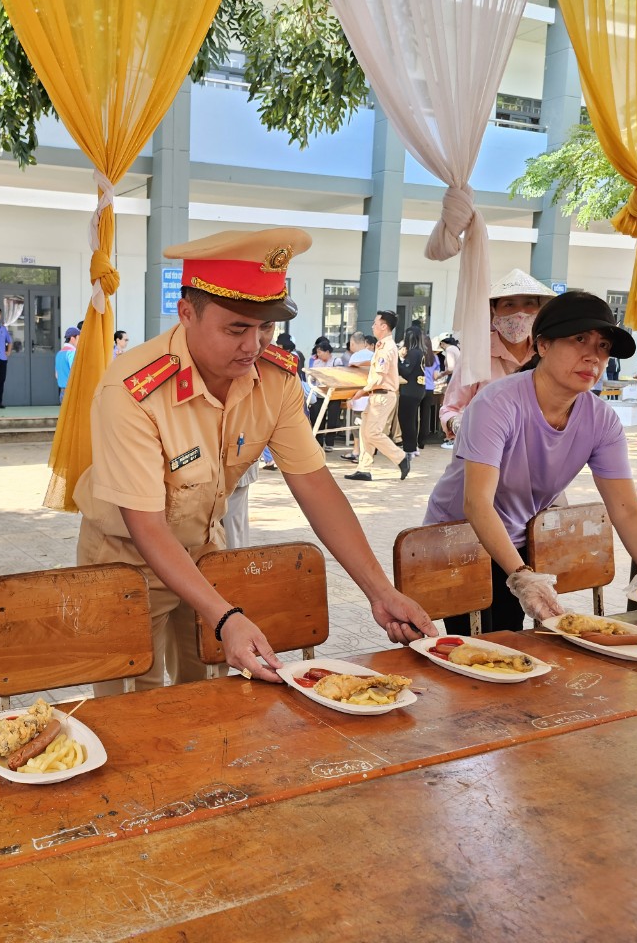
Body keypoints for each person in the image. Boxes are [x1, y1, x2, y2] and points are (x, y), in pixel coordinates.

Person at [73, 227, 435, 691]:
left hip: (205, 554)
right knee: (136, 705)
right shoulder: (133, 390)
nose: (255, 345)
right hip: (126, 559)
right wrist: (227, 618)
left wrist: (380, 591)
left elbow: (316, 486)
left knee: (210, 691)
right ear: (186, 313)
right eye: (236, 328)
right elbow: (146, 525)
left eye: (267, 327)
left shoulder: (276, 380)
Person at [424, 292, 637, 635]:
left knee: (510, 639)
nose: (593, 356)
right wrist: (521, 576)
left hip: (516, 535)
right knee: (478, 646)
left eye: (603, 346)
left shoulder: (601, 420)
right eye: (579, 340)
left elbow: (626, 509)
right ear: (542, 345)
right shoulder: (497, 403)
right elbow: (476, 502)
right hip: (456, 536)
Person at [440, 269, 554, 449]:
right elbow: (450, 409)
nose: (520, 313)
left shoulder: (547, 354)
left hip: (533, 455)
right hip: (483, 453)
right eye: (509, 304)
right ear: (494, 311)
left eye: (529, 303)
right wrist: (460, 426)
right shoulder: (476, 355)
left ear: (539, 310)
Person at [346, 310, 408, 481]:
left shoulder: (386, 348)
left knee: (373, 433)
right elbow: (376, 365)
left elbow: (379, 376)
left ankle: (401, 457)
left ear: (384, 326)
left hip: (381, 394)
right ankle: (364, 469)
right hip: (377, 395)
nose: (372, 326)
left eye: (375, 323)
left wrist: (361, 392)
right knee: (366, 432)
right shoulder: (382, 346)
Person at [397, 326, 434, 460]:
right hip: (419, 389)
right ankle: (413, 446)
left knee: (405, 419)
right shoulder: (421, 352)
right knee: (411, 420)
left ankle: (409, 448)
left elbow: (405, 371)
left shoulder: (413, 353)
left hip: (410, 390)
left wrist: (397, 360)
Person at [340, 332, 373, 462]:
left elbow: (352, 380)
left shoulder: (355, 357)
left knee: (357, 426)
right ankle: (367, 453)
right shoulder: (373, 355)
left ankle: (357, 451)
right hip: (371, 396)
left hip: (359, 397)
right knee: (368, 427)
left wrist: (350, 398)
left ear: (353, 343)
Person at [56, 326, 79, 402]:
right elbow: (75, 371)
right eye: (78, 339)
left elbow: (56, 375)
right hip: (72, 391)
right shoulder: (72, 353)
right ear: (73, 339)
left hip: (62, 391)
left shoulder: (59, 354)